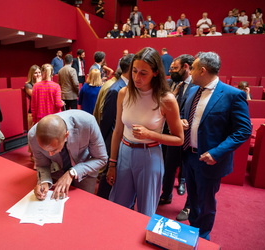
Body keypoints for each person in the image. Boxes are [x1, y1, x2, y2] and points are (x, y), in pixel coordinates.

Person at [106, 47, 184, 216]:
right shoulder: (123, 93)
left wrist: (150, 134)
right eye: (134, 71)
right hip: (124, 153)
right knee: (118, 207)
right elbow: (118, 130)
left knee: (145, 212)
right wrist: (112, 163)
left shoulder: (166, 99)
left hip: (150, 156)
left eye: (143, 73)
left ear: (155, 73)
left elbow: (179, 138)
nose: (136, 78)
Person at [183, 52, 251, 239]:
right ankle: (191, 232)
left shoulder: (232, 95)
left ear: (202, 70)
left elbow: (243, 130)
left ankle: (203, 237)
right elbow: (186, 114)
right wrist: (182, 121)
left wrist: (216, 153)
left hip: (210, 160)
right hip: (189, 156)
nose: (190, 73)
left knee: (205, 203)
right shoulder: (191, 90)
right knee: (193, 199)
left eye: (193, 69)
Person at [29, 110, 107, 200]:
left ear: (66, 136)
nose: (50, 154)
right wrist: (44, 182)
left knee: (83, 204)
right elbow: (42, 165)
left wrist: (72, 172)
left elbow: (101, 159)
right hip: (57, 171)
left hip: (86, 170)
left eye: (54, 150)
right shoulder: (33, 136)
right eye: (45, 150)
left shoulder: (87, 123)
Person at [96, 53, 134, 199]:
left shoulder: (125, 86)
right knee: (108, 173)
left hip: (121, 137)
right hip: (113, 137)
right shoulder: (116, 89)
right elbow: (107, 119)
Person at [159, 54, 195, 207]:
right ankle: (166, 194)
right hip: (167, 131)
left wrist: (181, 119)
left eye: (175, 68)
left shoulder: (196, 85)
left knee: (185, 164)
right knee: (168, 165)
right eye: (171, 68)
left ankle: (182, 181)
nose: (171, 71)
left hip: (187, 133)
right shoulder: (170, 83)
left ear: (185, 67)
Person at [24, 65, 42, 130]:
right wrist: (38, 84)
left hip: (42, 109)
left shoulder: (42, 83)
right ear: (31, 74)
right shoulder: (28, 85)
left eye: (39, 72)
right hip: (33, 111)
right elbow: (35, 95)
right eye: (35, 73)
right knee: (32, 131)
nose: (38, 75)